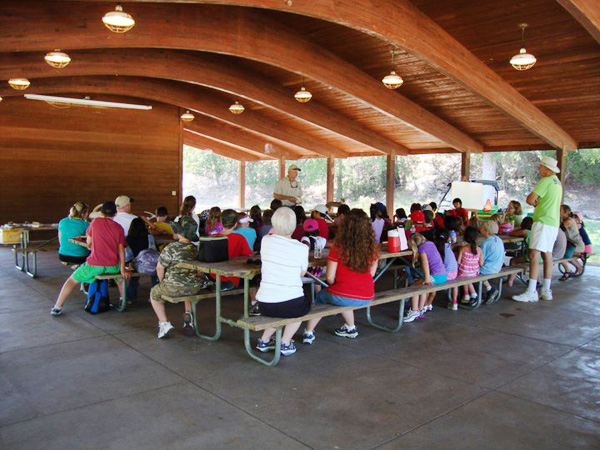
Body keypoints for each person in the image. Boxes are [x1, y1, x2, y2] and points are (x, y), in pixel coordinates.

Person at [303, 209, 379, 341]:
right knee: (342, 298)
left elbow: (330, 278)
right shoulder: (373, 247)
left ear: (346, 226)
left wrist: (337, 284)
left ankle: (309, 332)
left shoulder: (339, 247)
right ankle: (350, 327)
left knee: (322, 297)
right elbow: (371, 273)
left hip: (344, 294)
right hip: (368, 295)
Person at [51, 201, 130, 316]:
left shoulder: (95, 222)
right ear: (115, 213)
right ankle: (123, 299)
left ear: (101, 213)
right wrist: (122, 269)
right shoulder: (118, 228)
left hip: (95, 265)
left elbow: (89, 243)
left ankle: (57, 307)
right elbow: (121, 250)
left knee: (72, 280)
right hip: (113, 265)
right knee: (119, 280)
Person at [255, 207, 311, 356]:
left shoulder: (266, 240)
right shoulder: (301, 248)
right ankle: (285, 342)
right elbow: (302, 273)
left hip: (264, 303)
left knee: (280, 310)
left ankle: (264, 340)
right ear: (294, 225)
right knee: (301, 308)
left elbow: (270, 235)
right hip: (291, 303)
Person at [513, 156, 562, 303]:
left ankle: (531, 291)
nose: (539, 168)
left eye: (541, 166)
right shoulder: (557, 183)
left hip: (542, 221)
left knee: (534, 254)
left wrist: (535, 202)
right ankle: (546, 289)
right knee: (547, 255)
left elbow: (530, 199)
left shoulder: (546, 181)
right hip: (553, 222)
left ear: (547, 169)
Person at [149, 216, 208, 339]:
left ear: (178, 232)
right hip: (194, 287)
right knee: (187, 287)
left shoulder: (171, 248)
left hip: (172, 286)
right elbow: (200, 270)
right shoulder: (195, 249)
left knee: (154, 294)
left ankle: (164, 323)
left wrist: (162, 282)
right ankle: (188, 314)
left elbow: (160, 268)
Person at [403, 233, 447, 322]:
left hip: (436, 276)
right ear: (423, 238)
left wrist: (427, 278)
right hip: (443, 275)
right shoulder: (431, 243)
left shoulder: (422, 248)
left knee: (414, 287)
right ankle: (420, 309)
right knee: (422, 286)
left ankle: (414, 311)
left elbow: (425, 263)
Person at [211, 209, 253, 290]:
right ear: (236, 224)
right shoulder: (240, 238)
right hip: (233, 276)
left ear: (221, 222)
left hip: (214, 275)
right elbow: (248, 255)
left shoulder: (212, 237)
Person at [126, 217, 158, 300]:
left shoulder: (129, 238)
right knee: (155, 272)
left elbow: (127, 255)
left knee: (134, 273)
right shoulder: (150, 237)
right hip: (151, 264)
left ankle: (131, 296)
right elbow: (155, 250)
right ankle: (155, 295)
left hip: (137, 265)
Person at [455, 226, 483, 306]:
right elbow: (481, 263)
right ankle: (468, 294)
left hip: (464, 272)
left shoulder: (463, 248)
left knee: (464, 274)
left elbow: (458, 262)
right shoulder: (479, 249)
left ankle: (470, 294)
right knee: (467, 276)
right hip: (474, 272)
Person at [479, 220, 504, 304]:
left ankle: (479, 294)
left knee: (471, 272)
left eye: (481, 228)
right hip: (498, 266)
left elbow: (481, 260)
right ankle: (488, 290)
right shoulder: (499, 239)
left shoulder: (486, 242)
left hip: (489, 268)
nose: (480, 229)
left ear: (486, 230)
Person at [58, 201, 90, 265]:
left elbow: (60, 239)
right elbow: (88, 242)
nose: (88, 214)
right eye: (86, 212)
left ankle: (77, 267)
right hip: (80, 257)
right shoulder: (86, 225)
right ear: (82, 214)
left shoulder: (62, 221)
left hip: (63, 255)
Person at [433, 229, 459, 310]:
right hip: (454, 273)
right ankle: (454, 302)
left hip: (445, 276)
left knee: (427, 278)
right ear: (448, 238)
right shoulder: (448, 246)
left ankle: (427, 303)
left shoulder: (436, 247)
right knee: (455, 284)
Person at [559, 204, 584, 279]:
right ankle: (579, 267)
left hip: (575, 244)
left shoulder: (569, 220)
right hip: (571, 244)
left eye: (560, 210)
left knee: (561, 257)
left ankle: (568, 270)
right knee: (563, 255)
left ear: (566, 212)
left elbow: (560, 229)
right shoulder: (564, 219)